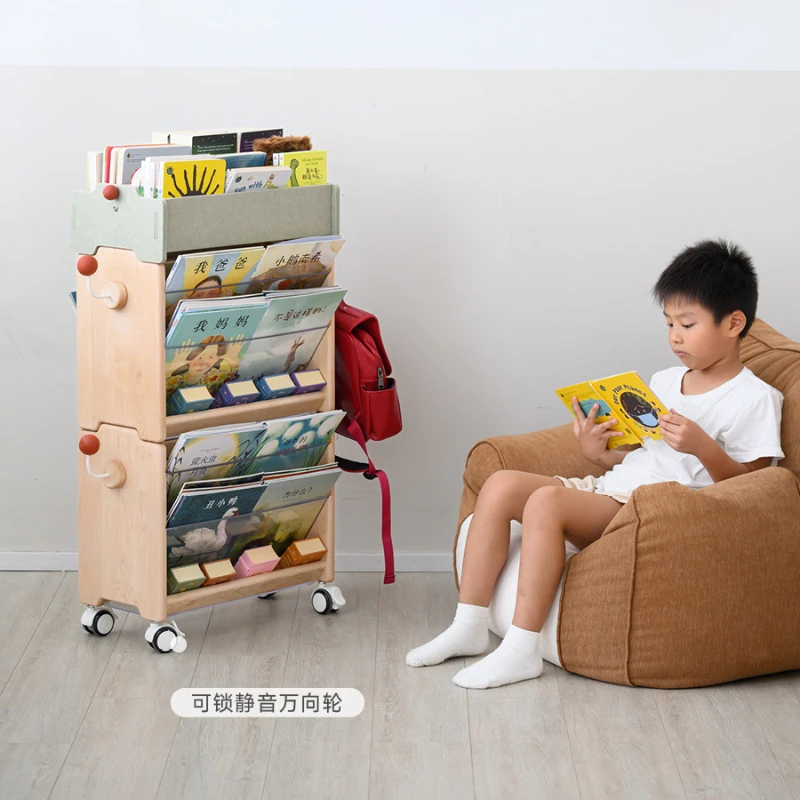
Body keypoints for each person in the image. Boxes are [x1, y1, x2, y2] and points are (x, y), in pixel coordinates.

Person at [406, 239, 785, 689]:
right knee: (501, 482)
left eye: (687, 324)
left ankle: (521, 648)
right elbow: (648, 454)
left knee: (546, 502)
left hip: (646, 510)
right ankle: (468, 624)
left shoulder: (755, 398)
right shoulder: (666, 380)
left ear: (734, 323)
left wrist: (704, 448)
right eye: (668, 323)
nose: (675, 337)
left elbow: (756, 492)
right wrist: (600, 455)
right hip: (612, 489)